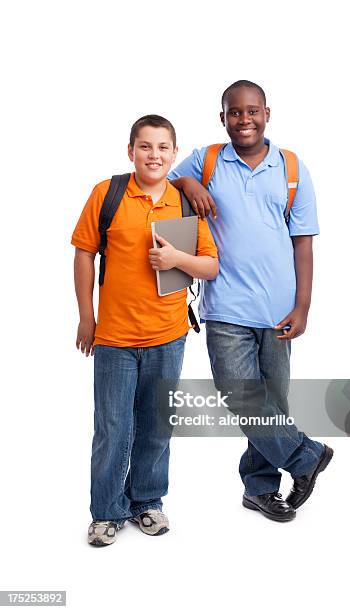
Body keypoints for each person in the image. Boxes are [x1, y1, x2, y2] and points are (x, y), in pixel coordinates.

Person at [169, 80, 333, 523]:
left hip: (279, 309)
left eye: (252, 111)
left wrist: (303, 306)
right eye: (235, 113)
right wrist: (187, 181)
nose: (245, 120)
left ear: (267, 113)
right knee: (241, 395)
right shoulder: (205, 160)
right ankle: (305, 455)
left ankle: (260, 489)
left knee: (271, 404)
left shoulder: (292, 167)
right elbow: (162, 183)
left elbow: (303, 242)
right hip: (225, 305)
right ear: (223, 118)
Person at [71, 115, 218, 545]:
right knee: (112, 426)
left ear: (175, 154)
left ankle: (147, 503)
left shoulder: (185, 203)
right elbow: (83, 255)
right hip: (114, 338)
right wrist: (86, 317)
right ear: (131, 150)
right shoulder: (108, 193)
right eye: (145, 147)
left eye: (163, 148)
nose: (154, 155)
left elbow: (210, 265)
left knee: (156, 424)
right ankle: (107, 511)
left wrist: (177, 260)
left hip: (168, 337)